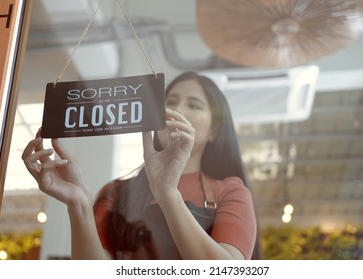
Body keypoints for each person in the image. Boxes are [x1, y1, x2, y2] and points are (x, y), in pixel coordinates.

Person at [22, 71, 257, 260]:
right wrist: (78, 204)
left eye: (194, 105)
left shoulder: (230, 192)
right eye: (171, 102)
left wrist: (167, 194)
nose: (177, 110)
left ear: (214, 130)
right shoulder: (117, 193)